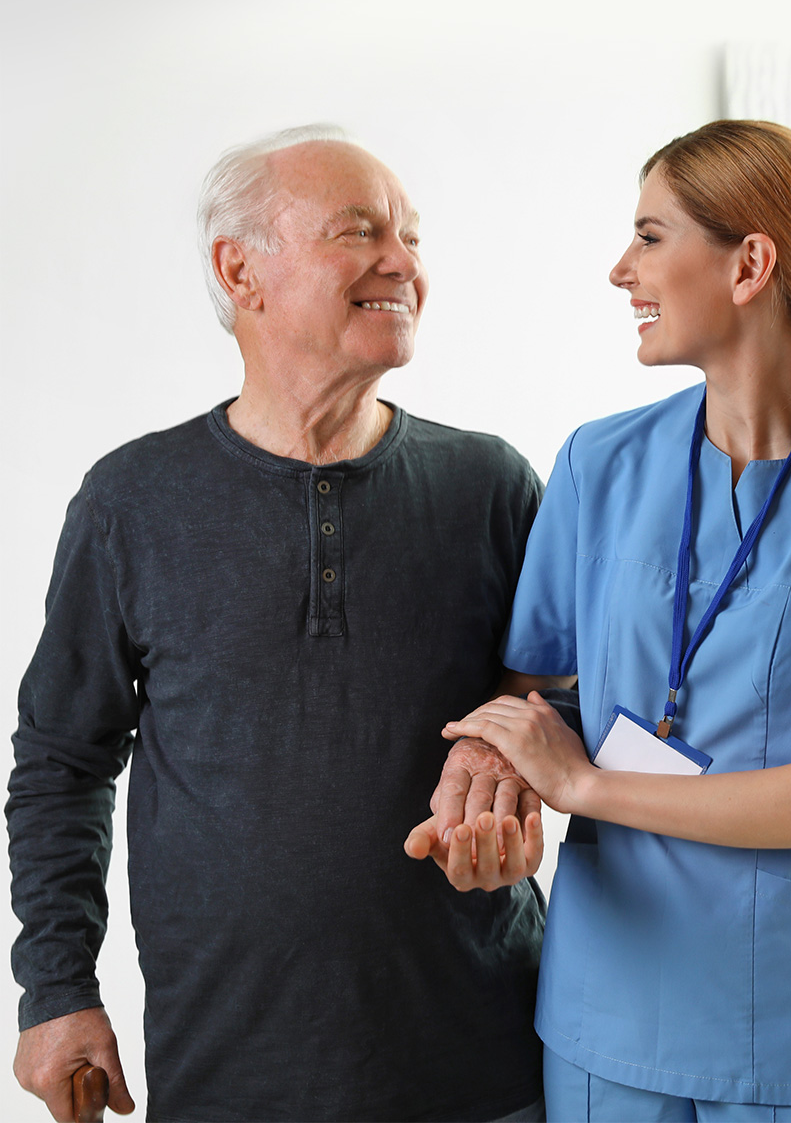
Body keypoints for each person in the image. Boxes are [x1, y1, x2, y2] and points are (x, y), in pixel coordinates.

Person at [7, 124, 565, 1123]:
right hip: (232, 1074)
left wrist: (514, 752)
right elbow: (60, 763)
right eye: (358, 232)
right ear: (242, 270)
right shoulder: (132, 501)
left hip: (485, 1067)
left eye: (410, 237)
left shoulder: (489, 485)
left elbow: (564, 696)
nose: (400, 263)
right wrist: (57, 991)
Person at [424, 120, 791, 1122]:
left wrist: (582, 783)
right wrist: (482, 777)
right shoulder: (597, 463)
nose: (621, 269)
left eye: (650, 236)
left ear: (749, 262)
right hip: (602, 1020)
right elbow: (533, 687)